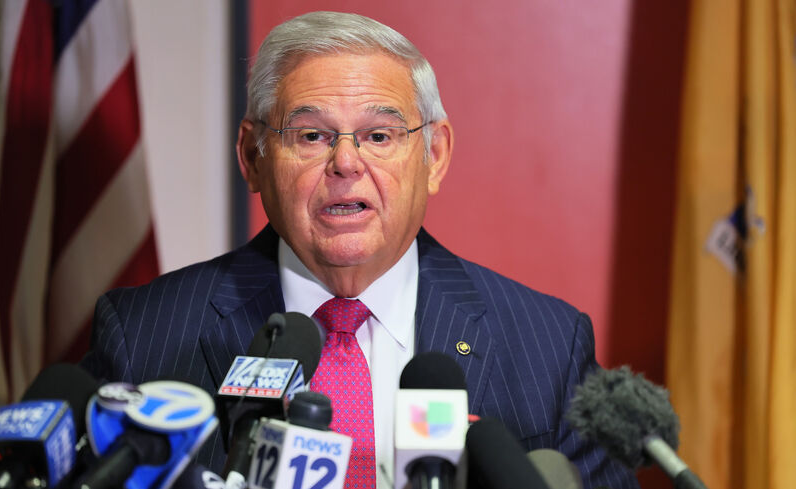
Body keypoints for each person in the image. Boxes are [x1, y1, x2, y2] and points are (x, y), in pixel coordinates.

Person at [82, 11, 639, 489]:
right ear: (253, 158)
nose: (346, 165)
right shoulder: (144, 335)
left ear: (435, 155)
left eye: (378, 135)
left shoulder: (547, 346)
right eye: (311, 136)